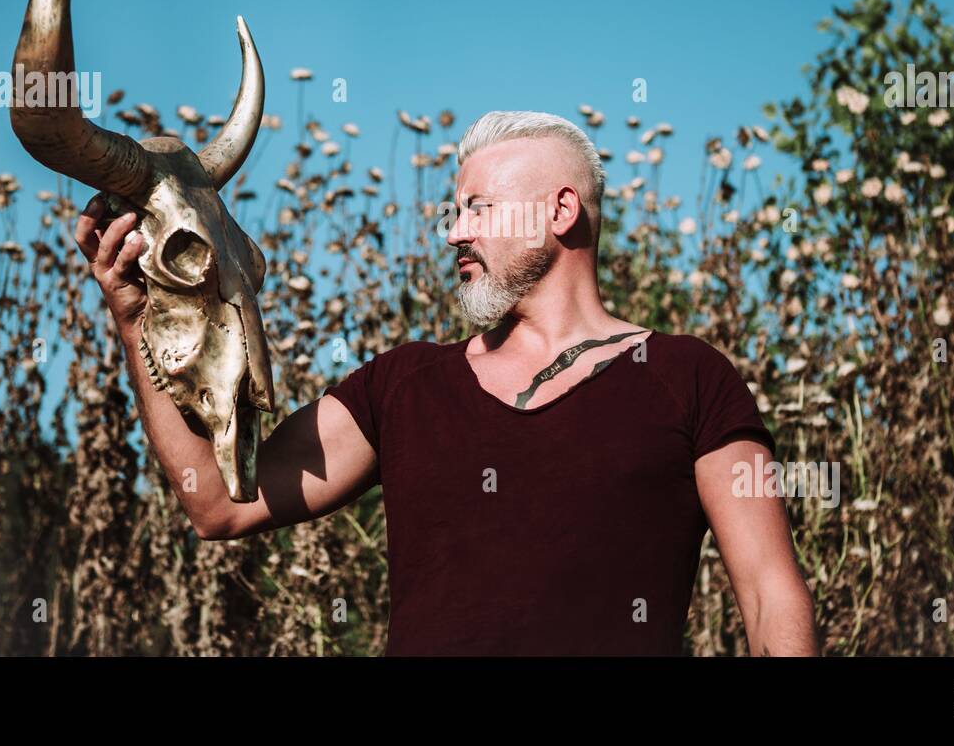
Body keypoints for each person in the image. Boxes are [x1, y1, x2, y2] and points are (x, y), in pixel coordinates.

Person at [75, 109, 819, 656]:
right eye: (452, 212)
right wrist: (137, 320)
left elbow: (768, 594)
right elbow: (215, 503)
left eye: (478, 210)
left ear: (560, 211)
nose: (454, 232)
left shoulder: (691, 380)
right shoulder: (402, 387)